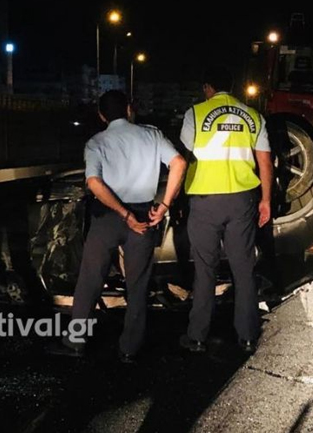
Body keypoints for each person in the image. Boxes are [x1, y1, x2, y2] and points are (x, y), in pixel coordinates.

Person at [47, 90, 187, 363]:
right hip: (145, 215)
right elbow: (179, 163)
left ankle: (76, 341)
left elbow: (94, 183)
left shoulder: (96, 142)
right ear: (129, 109)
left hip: (108, 218)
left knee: (90, 280)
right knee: (138, 284)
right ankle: (129, 348)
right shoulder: (153, 135)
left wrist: (123, 214)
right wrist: (165, 205)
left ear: (101, 115)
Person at [178, 66, 273, 354]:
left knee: (205, 270)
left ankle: (197, 336)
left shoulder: (195, 113)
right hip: (242, 199)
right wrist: (265, 199)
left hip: (205, 200)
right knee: (243, 269)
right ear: (232, 87)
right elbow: (265, 162)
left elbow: (184, 156)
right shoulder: (254, 116)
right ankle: (246, 336)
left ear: (208, 87)